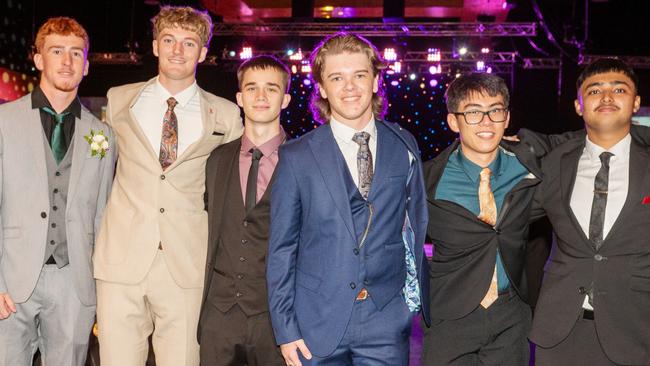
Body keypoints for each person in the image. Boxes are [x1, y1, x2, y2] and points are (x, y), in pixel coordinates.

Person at [267, 32, 429, 366]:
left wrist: (406, 305)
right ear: (323, 89)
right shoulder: (296, 156)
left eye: (359, 75)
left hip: (385, 319)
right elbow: (282, 249)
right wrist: (285, 329)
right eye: (337, 78)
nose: (350, 87)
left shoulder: (404, 145)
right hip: (315, 321)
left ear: (375, 81)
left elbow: (415, 224)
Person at [93, 6, 243, 366]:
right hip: (121, 264)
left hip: (186, 266)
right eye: (169, 40)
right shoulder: (118, 100)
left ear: (203, 52)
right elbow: (93, 169)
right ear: (156, 46)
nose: (178, 50)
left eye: (189, 43)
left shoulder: (225, 115)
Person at [0, 17, 116, 366]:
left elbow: (102, 212)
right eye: (56, 51)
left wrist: (98, 288)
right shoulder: (4, 122)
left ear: (86, 65)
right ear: (38, 60)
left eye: (76, 53)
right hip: (11, 278)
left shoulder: (101, 135)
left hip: (74, 285)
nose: (66, 61)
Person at [527, 58, 650, 365]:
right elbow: (508, 220)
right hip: (559, 334)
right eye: (594, 90)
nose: (607, 96)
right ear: (579, 106)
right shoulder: (553, 164)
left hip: (636, 331)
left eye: (619, 89)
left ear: (636, 103)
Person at [421, 73, 541, 365]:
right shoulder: (426, 179)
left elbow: (579, 141)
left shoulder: (531, 169)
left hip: (511, 314)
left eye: (495, 111)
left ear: (507, 117)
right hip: (450, 315)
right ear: (454, 121)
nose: (486, 122)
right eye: (474, 112)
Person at [198, 55, 290, 366]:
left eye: (271, 89)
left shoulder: (303, 162)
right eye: (252, 88)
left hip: (274, 317)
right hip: (218, 316)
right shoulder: (217, 159)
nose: (261, 97)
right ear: (239, 98)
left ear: (286, 98)